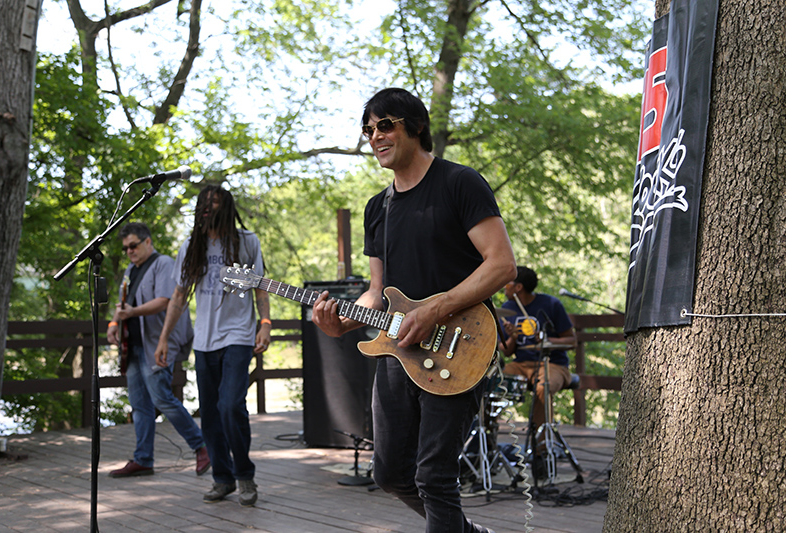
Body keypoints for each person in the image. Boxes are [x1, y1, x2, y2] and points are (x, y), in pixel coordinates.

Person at [311, 88, 516, 533]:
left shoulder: (459, 183)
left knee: (434, 476)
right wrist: (341, 322)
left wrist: (436, 309)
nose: (375, 137)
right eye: (368, 130)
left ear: (415, 126)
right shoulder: (377, 208)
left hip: (460, 346)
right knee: (390, 473)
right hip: (399, 353)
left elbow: (501, 264)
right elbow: (376, 292)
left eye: (385, 125)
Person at [155, 184, 271, 507]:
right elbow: (178, 297)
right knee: (209, 413)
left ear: (226, 207)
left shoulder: (247, 242)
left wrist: (265, 324)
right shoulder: (191, 246)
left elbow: (261, 289)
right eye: (203, 204)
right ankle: (223, 478)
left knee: (230, 405)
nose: (208, 209)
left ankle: (244, 474)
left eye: (214, 203)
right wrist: (164, 338)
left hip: (238, 335)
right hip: (204, 341)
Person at [106, 222, 209, 478]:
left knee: (161, 398)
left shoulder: (163, 264)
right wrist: (114, 323)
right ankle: (143, 459)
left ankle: (202, 447)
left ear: (148, 242)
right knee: (139, 405)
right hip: (134, 346)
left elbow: (166, 300)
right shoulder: (131, 269)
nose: (129, 251)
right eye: (126, 248)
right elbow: (123, 303)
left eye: (134, 245)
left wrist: (132, 313)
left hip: (158, 343)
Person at [499, 266, 577, 433]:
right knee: (492, 383)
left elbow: (572, 341)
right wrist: (513, 337)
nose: (504, 286)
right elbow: (505, 352)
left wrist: (546, 339)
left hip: (553, 364)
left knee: (543, 387)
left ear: (518, 287)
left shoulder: (550, 304)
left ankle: (540, 449)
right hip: (520, 364)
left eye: (508, 282)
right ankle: (485, 444)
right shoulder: (507, 308)